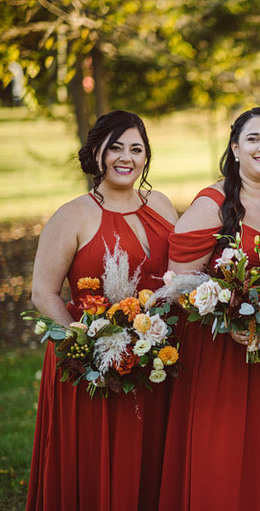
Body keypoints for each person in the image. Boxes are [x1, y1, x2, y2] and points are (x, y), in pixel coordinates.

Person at [157, 107, 260, 510]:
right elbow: (177, 283)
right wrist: (228, 319)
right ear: (235, 149)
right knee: (222, 459)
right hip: (222, 357)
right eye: (253, 139)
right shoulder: (212, 204)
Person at [27, 111, 178, 510]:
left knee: (151, 459)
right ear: (96, 154)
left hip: (152, 360)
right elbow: (43, 293)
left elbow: (178, 278)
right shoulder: (72, 215)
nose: (126, 158)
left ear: (147, 157)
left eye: (136, 149)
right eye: (115, 148)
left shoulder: (161, 204)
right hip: (91, 367)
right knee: (97, 465)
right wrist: (87, 345)